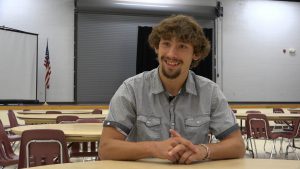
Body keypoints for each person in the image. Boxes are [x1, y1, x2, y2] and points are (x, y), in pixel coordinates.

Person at [99, 14, 245, 164]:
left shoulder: (210, 92)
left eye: (182, 46)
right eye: (166, 44)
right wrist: (154, 148)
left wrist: (203, 150)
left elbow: (237, 146)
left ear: (196, 53)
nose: (171, 54)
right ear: (157, 47)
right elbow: (106, 148)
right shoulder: (131, 89)